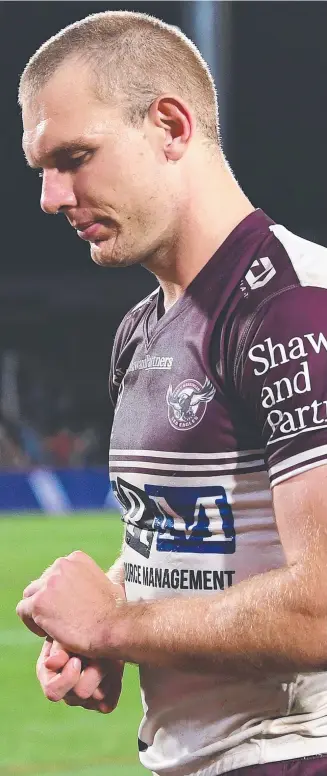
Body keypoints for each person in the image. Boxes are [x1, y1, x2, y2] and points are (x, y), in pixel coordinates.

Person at [16, 9, 327, 776]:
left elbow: (321, 606)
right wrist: (103, 631)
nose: (54, 197)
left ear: (170, 126)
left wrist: (117, 624)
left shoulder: (294, 308)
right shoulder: (141, 329)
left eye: (76, 156)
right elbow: (179, 540)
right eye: (41, 169)